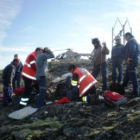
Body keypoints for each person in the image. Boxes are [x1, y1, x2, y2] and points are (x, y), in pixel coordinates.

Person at [123, 32, 139, 97]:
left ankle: (135, 92)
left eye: (125, 37)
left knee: (133, 76)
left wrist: (129, 57)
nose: (125, 38)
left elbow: (132, 49)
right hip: (132, 60)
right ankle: (123, 87)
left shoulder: (131, 41)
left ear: (128, 36)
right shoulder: (134, 41)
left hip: (131, 60)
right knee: (127, 74)